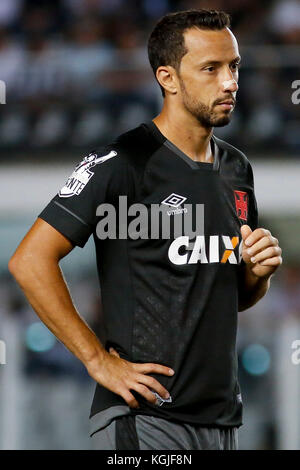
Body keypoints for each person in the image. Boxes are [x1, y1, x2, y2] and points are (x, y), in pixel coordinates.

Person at [9, 9, 282, 450]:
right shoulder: (124, 162)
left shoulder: (236, 168)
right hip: (144, 418)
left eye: (234, 66)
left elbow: (234, 296)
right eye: (210, 69)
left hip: (221, 420)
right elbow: (29, 261)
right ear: (168, 78)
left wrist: (258, 273)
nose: (230, 82)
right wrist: (97, 360)